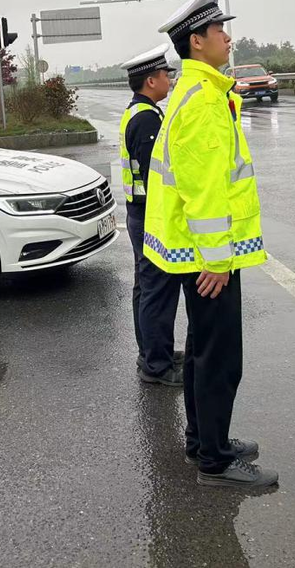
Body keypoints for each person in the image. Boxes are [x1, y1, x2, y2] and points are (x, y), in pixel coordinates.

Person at [144, 0, 279, 489]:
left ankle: (204, 441)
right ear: (196, 41)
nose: (227, 36)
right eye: (219, 29)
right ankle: (216, 462)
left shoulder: (200, 92)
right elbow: (204, 192)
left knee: (204, 349)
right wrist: (218, 261)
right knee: (220, 358)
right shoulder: (203, 101)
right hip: (207, 257)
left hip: (191, 252)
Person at [119, 45, 183, 386]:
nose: (169, 80)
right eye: (164, 75)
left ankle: (152, 352)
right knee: (158, 291)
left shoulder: (137, 112)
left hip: (136, 213)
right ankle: (157, 366)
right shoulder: (146, 119)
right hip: (148, 216)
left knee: (145, 288)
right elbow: (155, 174)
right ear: (150, 80)